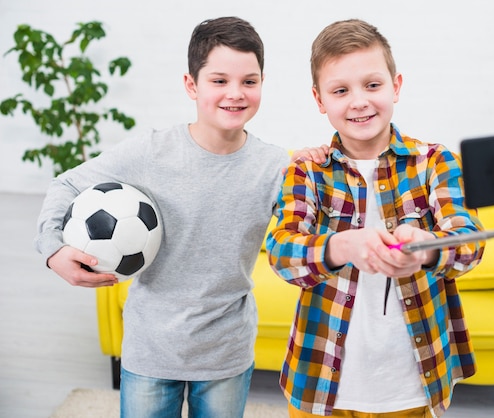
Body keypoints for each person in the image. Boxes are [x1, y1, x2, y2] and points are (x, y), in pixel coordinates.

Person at [35, 16, 325, 418]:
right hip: (150, 350)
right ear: (192, 85)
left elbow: (309, 229)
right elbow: (66, 183)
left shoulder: (276, 165)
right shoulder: (150, 153)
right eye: (219, 81)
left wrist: (316, 168)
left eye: (249, 81)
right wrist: (53, 250)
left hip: (226, 353)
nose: (235, 94)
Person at [266, 19, 486, 418]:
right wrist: (344, 245)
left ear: (396, 86)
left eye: (372, 85)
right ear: (319, 100)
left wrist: (422, 250)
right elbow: (281, 254)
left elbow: (469, 242)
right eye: (340, 91)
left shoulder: (435, 162)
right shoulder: (307, 171)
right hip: (321, 386)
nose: (359, 101)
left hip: (411, 384)